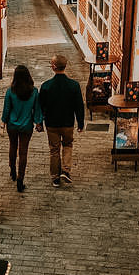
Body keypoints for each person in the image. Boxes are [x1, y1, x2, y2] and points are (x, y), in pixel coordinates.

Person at [37, 54, 84, 187]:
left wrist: (39, 123)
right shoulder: (74, 86)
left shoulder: (46, 86)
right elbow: (79, 106)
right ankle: (66, 171)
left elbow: (40, 107)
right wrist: (80, 123)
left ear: (53, 67)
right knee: (68, 146)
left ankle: (55, 178)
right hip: (68, 123)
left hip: (51, 124)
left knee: (54, 150)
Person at [0, 64, 44, 193]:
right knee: (23, 152)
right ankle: (20, 179)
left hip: (12, 125)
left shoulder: (10, 91)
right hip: (26, 126)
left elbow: (6, 109)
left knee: (13, 146)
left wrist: (3, 122)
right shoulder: (34, 91)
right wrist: (38, 123)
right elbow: (37, 110)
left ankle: (12, 170)